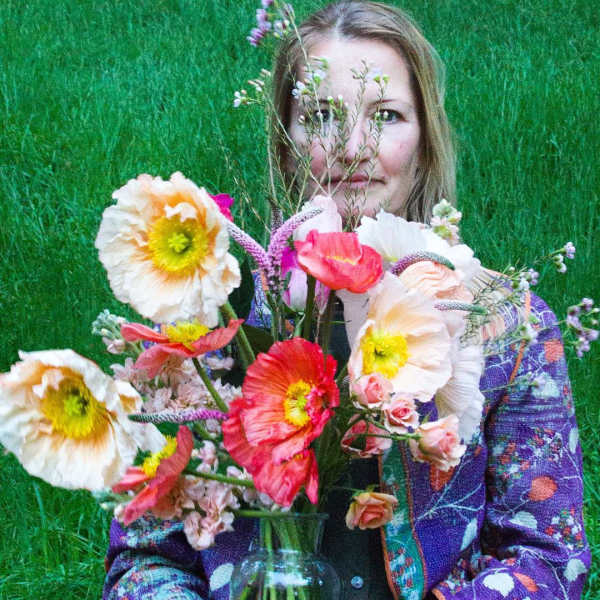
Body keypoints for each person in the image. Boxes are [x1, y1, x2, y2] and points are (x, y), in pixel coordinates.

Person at [103, 2, 590, 598]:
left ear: (425, 140)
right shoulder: (208, 320)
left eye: (386, 115)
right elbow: (144, 559)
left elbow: (547, 555)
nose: (355, 146)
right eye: (321, 116)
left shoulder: (504, 323)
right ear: (285, 142)